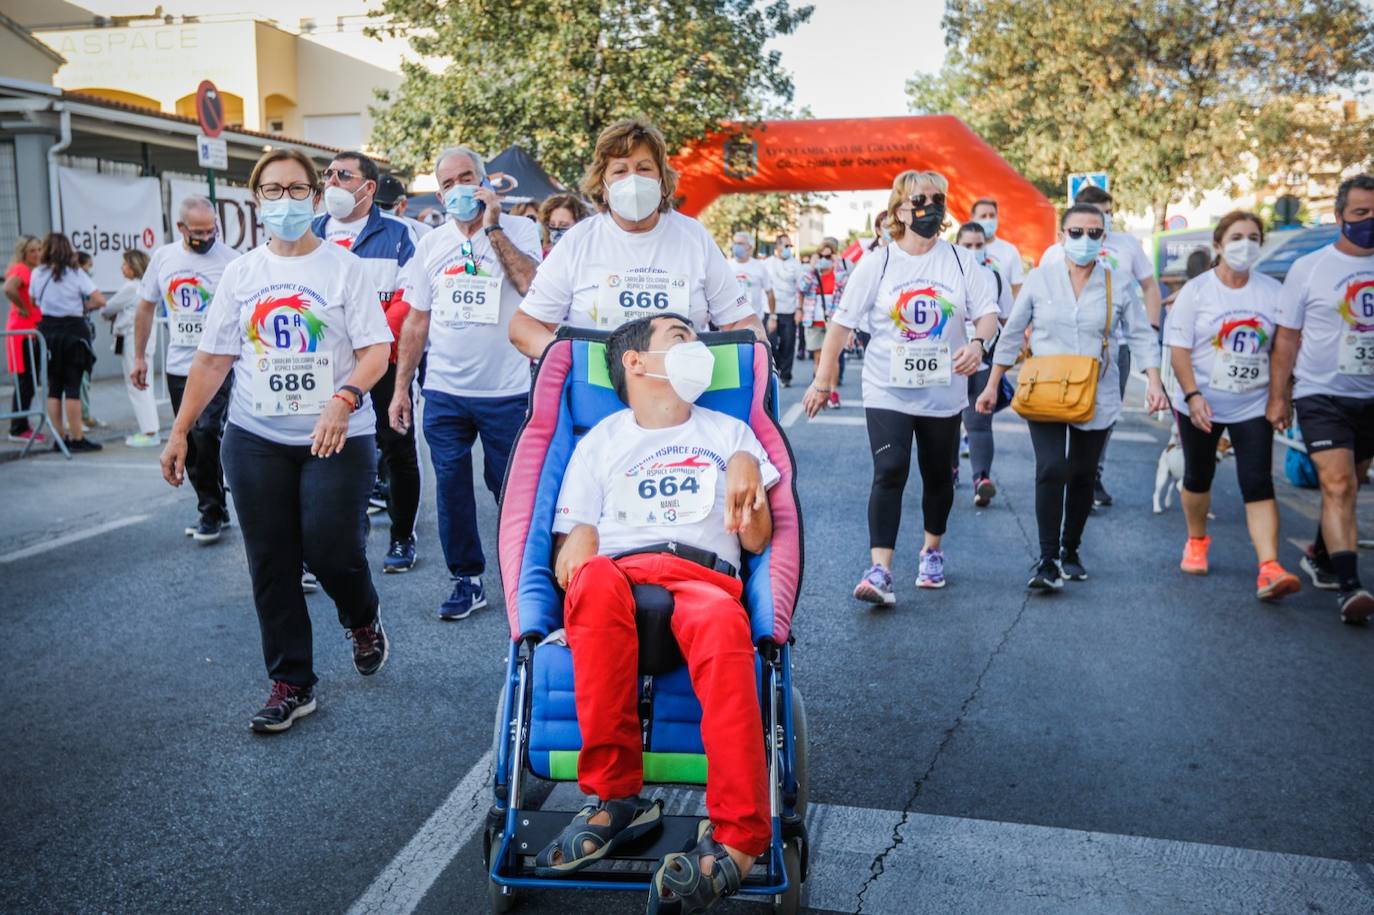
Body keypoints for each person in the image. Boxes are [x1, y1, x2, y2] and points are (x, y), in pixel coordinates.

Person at [539, 315, 776, 911]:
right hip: (623, 573)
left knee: (726, 626)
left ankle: (741, 839)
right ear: (635, 362)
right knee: (590, 580)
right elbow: (572, 543)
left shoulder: (730, 433)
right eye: (679, 337)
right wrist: (579, 537)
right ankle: (615, 797)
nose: (695, 346)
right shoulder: (602, 440)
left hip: (704, 579)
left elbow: (755, 543)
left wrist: (746, 472)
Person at [160, 147, 394, 733]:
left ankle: (361, 615)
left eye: (296, 190)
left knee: (330, 547)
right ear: (256, 200)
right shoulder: (243, 273)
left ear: (315, 200)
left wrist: (345, 397)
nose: (284, 201)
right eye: (272, 191)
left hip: (336, 433)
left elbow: (376, 350)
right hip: (256, 435)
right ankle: (293, 681)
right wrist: (181, 430)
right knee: (270, 559)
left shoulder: (344, 269)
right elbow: (213, 360)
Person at [804, 170, 1000, 601]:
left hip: (943, 392)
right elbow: (841, 325)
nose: (930, 206)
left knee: (937, 477)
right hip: (887, 388)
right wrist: (822, 380)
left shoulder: (962, 261)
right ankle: (880, 570)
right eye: (919, 199)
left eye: (937, 198)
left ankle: (932, 550)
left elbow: (987, 313)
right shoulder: (879, 262)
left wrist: (978, 343)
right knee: (890, 472)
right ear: (899, 210)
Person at [979, 204, 1167, 590]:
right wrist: (992, 382)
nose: (1085, 240)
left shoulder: (1118, 283)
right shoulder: (1040, 279)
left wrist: (1154, 381)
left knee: (1082, 473)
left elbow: (1142, 335)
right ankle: (1047, 559)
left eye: (1094, 232)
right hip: (1045, 388)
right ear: (1061, 237)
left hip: (1096, 390)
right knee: (1051, 468)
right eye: (1076, 232)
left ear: (1104, 237)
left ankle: (1071, 549)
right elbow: (1012, 332)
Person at [389, 145, 542, 621]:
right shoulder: (431, 244)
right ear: (440, 192)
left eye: (468, 177)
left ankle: (527, 570)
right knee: (451, 486)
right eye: (449, 183)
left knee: (510, 487)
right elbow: (416, 322)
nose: (460, 189)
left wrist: (493, 225)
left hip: (507, 391)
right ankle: (467, 578)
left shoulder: (520, 229)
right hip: (445, 392)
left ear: (486, 180)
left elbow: (531, 285)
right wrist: (401, 388)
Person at [509, 117, 762, 358]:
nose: (633, 179)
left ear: (662, 182)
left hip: (682, 394)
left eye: (644, 168)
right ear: (603, 188)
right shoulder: (579, 241)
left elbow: (742, 321)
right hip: (597, 394)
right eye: (620, 171)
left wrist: (756, 352)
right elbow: (525, 325)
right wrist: (570, 357)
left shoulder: (694, 238)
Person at [1164, 211, 1300, 599]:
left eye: (1254, 237)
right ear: (1219, 245)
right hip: (1201, 400)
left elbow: (1282, 350)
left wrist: (1279, 397)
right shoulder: (1197, 291)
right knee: (1198, 476)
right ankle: (1196, 539)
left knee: (1257, 481)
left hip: (1252, 403)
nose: (1246, 244)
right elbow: (1179, 350)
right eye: (1237, 236)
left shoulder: (1272, 293)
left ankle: (1269, 567)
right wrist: (1193, 397)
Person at [1267, 174, 1374, 624]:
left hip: (1369, 397)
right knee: (1337, 484)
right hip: (1320, 393)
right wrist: (1279, 397)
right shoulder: (1309, 268)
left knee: (1350, 482)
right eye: (1360, 214)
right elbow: (1287, 339)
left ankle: (1321, 556)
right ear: (1339, 217)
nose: (1370, 221)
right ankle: (1350, 590)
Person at [313, 150, 424, 574]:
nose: (332, 183)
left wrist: (369, 345)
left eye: (343, 175)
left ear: (368, 187)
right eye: (327, 175)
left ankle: (401, 537)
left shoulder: (400, 235)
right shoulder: (310, 231)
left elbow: (408, 300)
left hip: (383, 362)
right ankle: (336, 541)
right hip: (325, 367)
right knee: (327, 451)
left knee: (395, 447)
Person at [1041, 185, 1163, 508]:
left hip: (1111, 348)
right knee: (1058, 416)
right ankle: (1062, 472)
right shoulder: (1055, 251)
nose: (1103, 220)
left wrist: (1151, 327)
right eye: (1096, 213)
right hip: (1060, 351)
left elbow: (1149, 287)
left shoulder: (1127, 246)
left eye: (1108, 214)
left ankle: (1091, 472)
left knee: (1103, 414)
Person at [132, 196, 240, 540]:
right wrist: (139, 357)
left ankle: (211, 511)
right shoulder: (164, 259)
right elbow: (145, 308)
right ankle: (214, 505)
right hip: (180, 365)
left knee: (207, 430)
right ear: (181, 228)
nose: (206, 237)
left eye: (212, 230)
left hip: (218, 363)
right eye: (198, 232)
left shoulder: (232, 260)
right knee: (189, 440)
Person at [954, 221, 1014, 507]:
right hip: (945, 364)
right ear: (956, 245)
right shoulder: (944, 275)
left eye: (979, 245)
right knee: (946, 423)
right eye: (968, 245)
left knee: (978, 423)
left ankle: (981, 480)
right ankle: (948, 470)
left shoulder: (995, 278)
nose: (974, 250)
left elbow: (1008, 323)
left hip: (983, 361)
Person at [30, 233, 106, 452]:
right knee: (73, 387)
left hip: (48, 333)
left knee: (54, 387)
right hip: (74, 332)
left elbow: (34, 299)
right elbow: (100, 299)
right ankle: (77, 437)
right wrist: (84, 307)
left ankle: (59, 438)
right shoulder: (75, 273)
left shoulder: (38, 273)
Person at [100, 249, 160, 447]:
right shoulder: (146, 286)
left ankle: (149, 432)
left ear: (134, 267)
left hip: (132, 341)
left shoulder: (130, 287)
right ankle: (151, 429)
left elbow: (107, 309)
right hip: (143, 340)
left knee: (137, 386)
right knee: (144, 385)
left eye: (125, 264)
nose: (122, 268)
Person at [799, 238, 848, 407]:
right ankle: (820, 388)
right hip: (814, 320)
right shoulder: (811, 273)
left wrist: (837, 266)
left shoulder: (839, 273)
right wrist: (812, 267)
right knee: (818, 358)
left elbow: (846, 287)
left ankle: (833, 392)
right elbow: (801, 287)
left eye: (829, 256)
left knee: (832, 358)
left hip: (833, 321)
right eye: (822, 255)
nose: (825, 259)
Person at [4, 235, 43, 443]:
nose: (37, 254)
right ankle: (17, 428)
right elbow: (8, 288)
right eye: (32, 251)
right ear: (24, 253)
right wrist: (22, 307)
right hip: (22, 334)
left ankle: (22, 424)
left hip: (30, 332)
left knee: (29, 380)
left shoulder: (32, 271)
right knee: (25, 381)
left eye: (39, 250)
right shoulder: (21, 269)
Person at [970, 197, 1025, 298]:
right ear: (973, 219)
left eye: (992, 216)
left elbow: (1018, 289)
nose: (988, 220)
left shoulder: (1010, 250)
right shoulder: (962, 249)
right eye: (983, 216)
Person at [765, 233, 801, 386]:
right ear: (777, 247)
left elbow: (800, 288)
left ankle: (786, 376)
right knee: (770, 342)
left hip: (789, 309)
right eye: (785, 246)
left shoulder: (796, 264)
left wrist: (799, 309)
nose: (788, 249)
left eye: (790, 246)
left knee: (788, 344)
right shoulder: (767, 264)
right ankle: (777, 368)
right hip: (770, 310)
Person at [729, 230, 774, 322]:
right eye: (735, 243)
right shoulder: (726, 266)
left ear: (750, 247)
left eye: (740, 243)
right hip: (732, 321)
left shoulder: (759, 267)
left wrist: (772, 317)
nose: (736, 246)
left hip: (754, 321)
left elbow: (769, 292)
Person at [375, 173, 433, 239]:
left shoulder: (423, 233)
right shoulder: (364, 230)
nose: (378, 211)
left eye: (386, 205)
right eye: (374, 205)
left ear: (403, 205)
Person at [537, 192, 590, 256]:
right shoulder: (544, 256)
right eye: (552, 225)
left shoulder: (589, 254)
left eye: (564, 225)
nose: (556, 231)